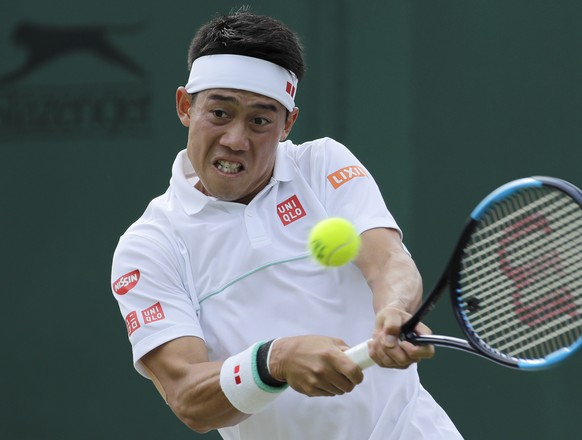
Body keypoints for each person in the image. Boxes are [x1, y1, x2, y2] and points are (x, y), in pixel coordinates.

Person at [111, 9, 463, 440]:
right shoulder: (149, 246)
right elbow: (188, 398)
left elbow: (388, 260)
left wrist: (394, 311)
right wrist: (273, 361)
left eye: (260, 120)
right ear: (186, 106)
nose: (236, 140)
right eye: (220, 113)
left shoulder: (322, 165)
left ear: (287, 124)